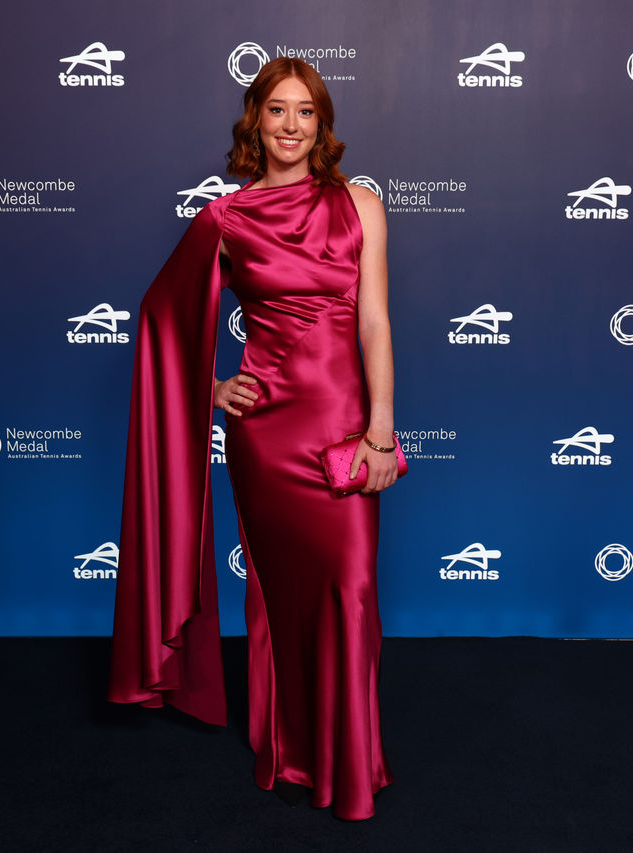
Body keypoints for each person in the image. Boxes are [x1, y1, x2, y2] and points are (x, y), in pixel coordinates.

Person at [109, 57, 397, 822]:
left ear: (321, 124)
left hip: (345, 427)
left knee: (351, 590)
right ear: (255, 122)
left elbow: (374, 322)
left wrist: (381, 428)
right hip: (266, 436)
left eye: (305, 111)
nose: (291, 125)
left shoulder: (360, 205)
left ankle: (348, 762)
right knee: (284, 598)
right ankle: (294, 752)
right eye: (277, 110)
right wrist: (209, 389)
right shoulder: (225, 220)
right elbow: (162, 320)